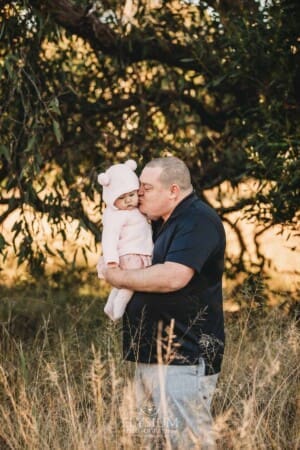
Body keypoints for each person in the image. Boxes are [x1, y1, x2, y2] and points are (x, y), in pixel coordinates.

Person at [99, 156, 226, 449]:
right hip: (150, 354)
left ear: (172, 191)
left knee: (190, 442)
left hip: (183, 354)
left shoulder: (197, 220)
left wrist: (118, 277)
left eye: (146, 187)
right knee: (150, 442)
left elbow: (173, 277)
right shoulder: (157, 223)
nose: (138, 193)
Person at [97, 159, 153, 321]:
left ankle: (109, 306)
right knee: (131, 284)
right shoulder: (115, 215)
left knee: (122, 284)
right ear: (111, 198)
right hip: (129, 255)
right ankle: (118, 311)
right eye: (122, 197)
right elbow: (109, 238)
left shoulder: (135, 210)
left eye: (131, 195)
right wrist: (111, 260)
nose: (128, 200)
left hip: (137, 252)